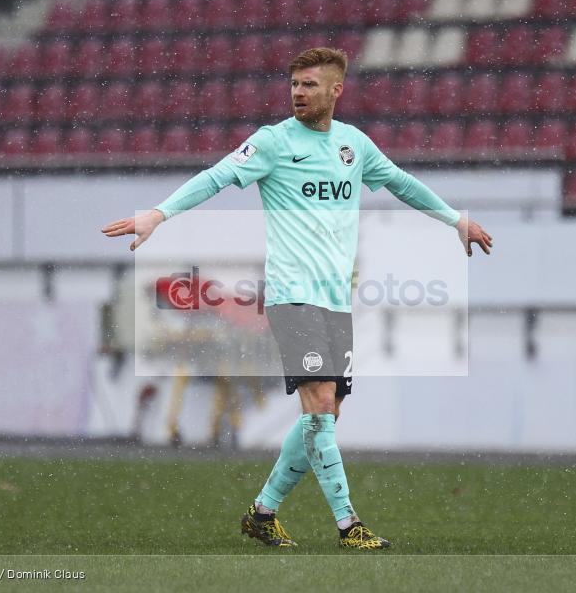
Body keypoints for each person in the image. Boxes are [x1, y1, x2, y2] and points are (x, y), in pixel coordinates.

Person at [102, 48, 492, 548]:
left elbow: (400, 183)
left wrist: (455, 220)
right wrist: (159, 213)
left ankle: (262, 512)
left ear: (336, 90)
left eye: (309, 85)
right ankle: (349, 525)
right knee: (321, 403)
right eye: (294, 85)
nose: (298, 93)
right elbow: (216, 176)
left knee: (323, 416)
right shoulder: (272, 142)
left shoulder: (353, 145)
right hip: (292, 297)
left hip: (336, 301)